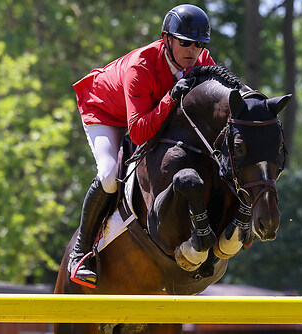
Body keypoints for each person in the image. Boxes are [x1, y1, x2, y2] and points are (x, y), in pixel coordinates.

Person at [69, 4, 216, 288]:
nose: (192, 50)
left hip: (148, 112)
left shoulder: (202, 61)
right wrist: (171, 98)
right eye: (185, 42)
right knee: (110, 175)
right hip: (105, 112)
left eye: (199, 44)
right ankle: (81, 253)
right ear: (166, 38)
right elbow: (137, 132)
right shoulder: (141, 65)